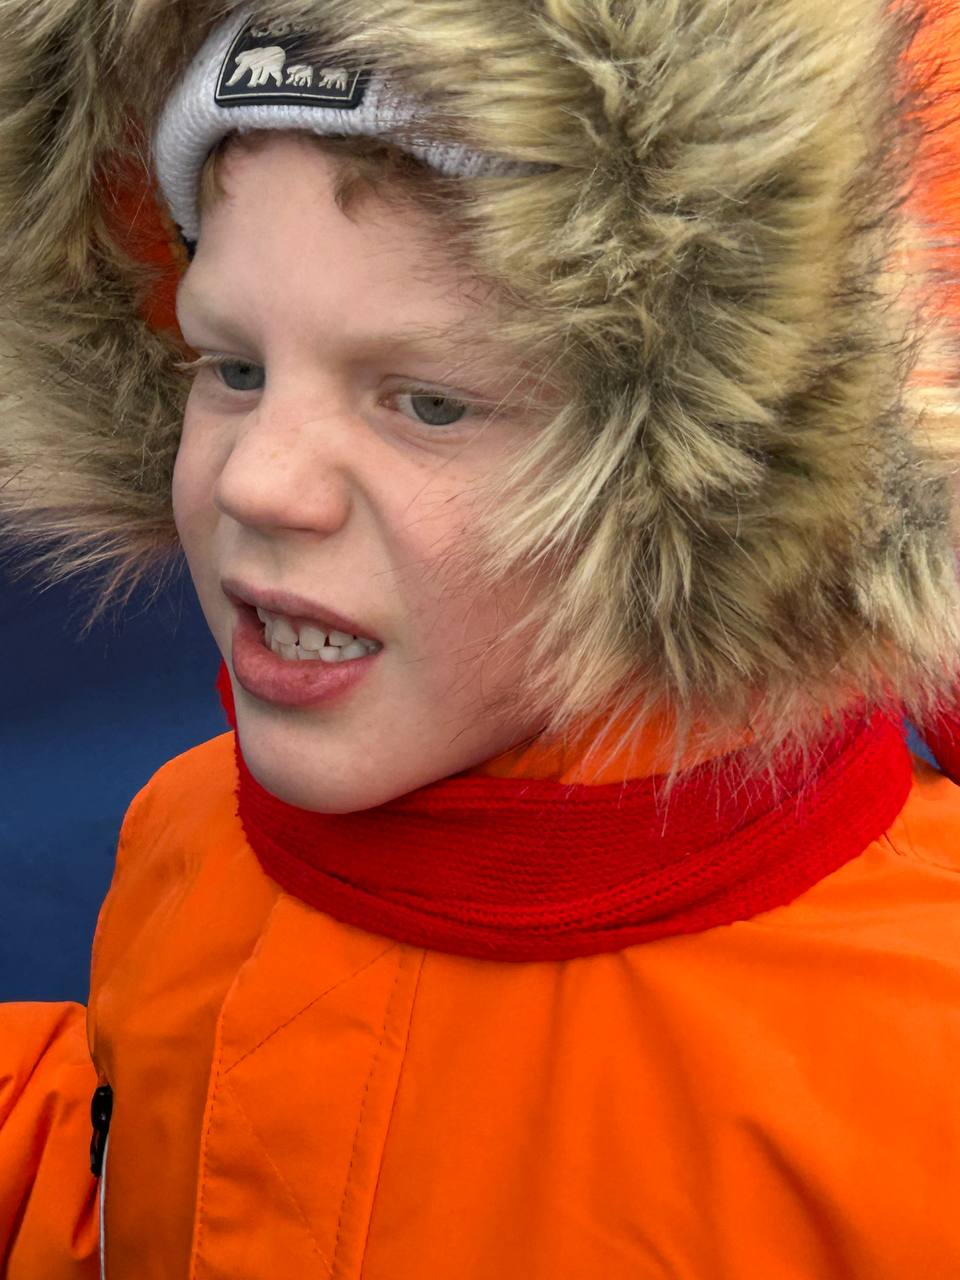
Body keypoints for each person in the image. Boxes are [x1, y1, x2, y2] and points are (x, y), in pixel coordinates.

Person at [1, 1, 960, 1276]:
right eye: (231, 366)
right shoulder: (189, 833)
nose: (257, 481)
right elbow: (144, 1171)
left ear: (705, 482)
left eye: (431, 402)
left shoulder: (918, 1057)